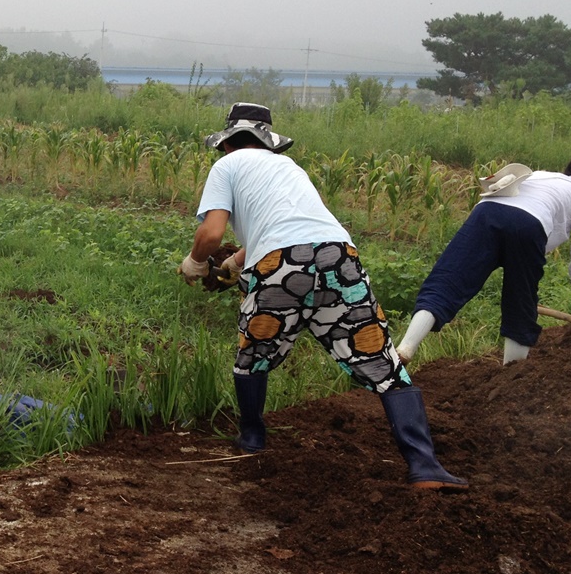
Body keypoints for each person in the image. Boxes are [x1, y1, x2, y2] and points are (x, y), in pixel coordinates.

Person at [179, 102, 466, 491]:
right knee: (382, 360)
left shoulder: (226, 166)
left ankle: (251, 441)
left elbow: (211, 233)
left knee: (254, 354)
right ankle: (424, 466)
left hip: (281, 266)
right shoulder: (289, 169)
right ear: (268, 142)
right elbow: (296, 227)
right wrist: (235, 262)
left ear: (227, 142)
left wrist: (197, 261)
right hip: (338, 256)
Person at [398, 157, 571, 365]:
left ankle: (405, 347)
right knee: (521, 302)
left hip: (487, 212)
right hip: (528, 224)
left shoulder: (539, 176)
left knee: (448, 280)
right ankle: (511, 376)